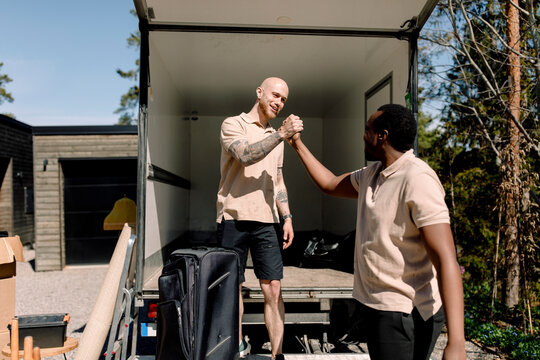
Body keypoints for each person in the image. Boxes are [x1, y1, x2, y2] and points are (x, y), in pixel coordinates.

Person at [285, 104, 466, 360]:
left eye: (367, 129)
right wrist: (297, 145)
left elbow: (446, 260)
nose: (363, 135)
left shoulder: (417, 179)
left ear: (382, 135)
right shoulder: (372, 174)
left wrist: (457, 342)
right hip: (378, 305)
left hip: (405, 311)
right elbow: (329, 183)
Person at [216, 77, 303, 360]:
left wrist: (287, 217)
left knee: (274, 286)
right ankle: (238, 345)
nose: (278, 102)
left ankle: (277, 354)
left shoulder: (275, 137)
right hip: (233, 217)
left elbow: (277, 180)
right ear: (259, 93)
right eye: (275, 95)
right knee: (233, 287)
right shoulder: (233, 124)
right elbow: (244, 155)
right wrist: (280, 135)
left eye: (283, 100)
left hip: (267, 220)